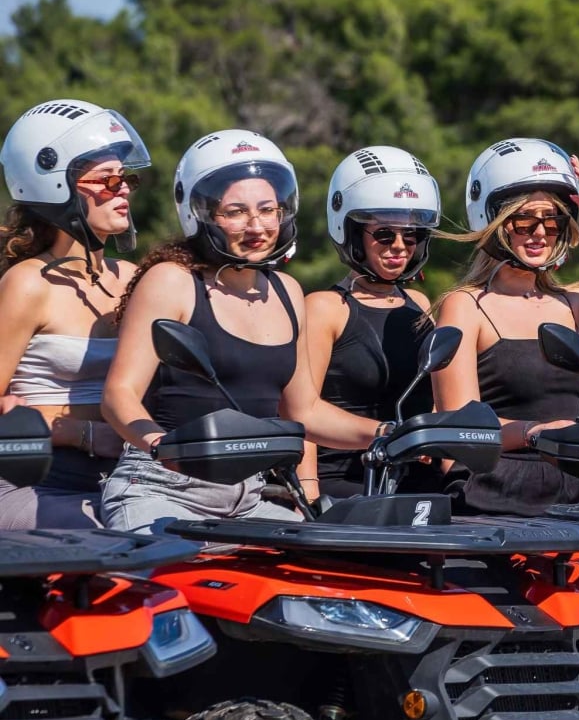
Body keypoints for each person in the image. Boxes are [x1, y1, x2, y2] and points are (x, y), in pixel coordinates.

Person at [100, 130, 388, 532]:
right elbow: (118, 395)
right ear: (200, 214)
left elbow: (303, 412)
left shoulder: (287, 291)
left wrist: (390, 434)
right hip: (162, 491)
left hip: (249, 499)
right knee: (168, 584)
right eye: (235, 212)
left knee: (326, 575)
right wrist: (159, 445)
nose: (257, 225)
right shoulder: (173, 282)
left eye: (268, 210)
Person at [430, 138, 579, 516]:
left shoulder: (572, 303)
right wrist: (534, 433)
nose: (541, 232)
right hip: (497, 486)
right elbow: (460, 428)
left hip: (573, 483)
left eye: (554, 220)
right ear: (494, 221)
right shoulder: (466, 306)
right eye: (524, 220)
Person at [0, 99, 151, 528]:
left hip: (125, 477)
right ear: (53, 186)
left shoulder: (134, 277)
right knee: (124, 534)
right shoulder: (28, 283)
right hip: (38, 479)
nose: (123, 190)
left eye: (126, 179)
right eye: (106, 181)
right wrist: (77, 432)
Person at [301, 146, 439, 500]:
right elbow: (301, 414)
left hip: (413, 484)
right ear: (352, 231)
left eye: (412, 236)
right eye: (384, 234)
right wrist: (309, 495)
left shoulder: (419, 305)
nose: (399, 246)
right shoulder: (325, 308)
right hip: (346, 487)